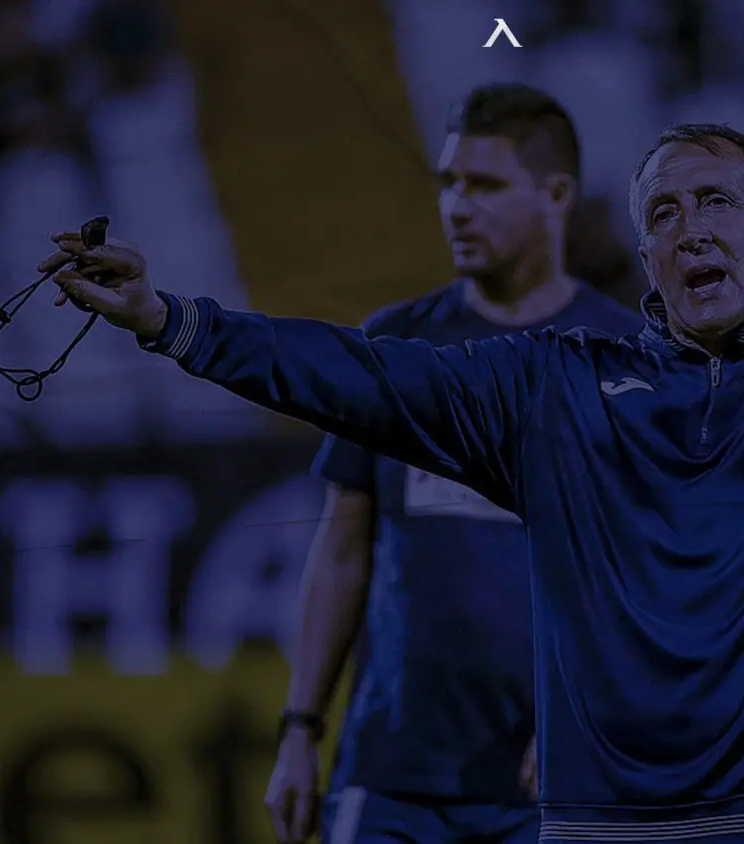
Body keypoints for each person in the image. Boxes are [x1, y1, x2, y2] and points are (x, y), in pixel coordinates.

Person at [39, 96, 744, 844]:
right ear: (643, 253)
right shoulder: (552, 389)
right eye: (664, 213)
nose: (691, 227)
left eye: (718, 202)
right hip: (608, 829)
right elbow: (358, 374)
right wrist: (172, 320)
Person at [263, 83, 638, 844]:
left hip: (555, 785)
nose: (457, 207)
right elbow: (343, 549)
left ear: (556, 196)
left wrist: (591, 715)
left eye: (486, 185)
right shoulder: (397, 345)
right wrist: (300, 727)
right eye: (449, 183)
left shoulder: (627, 361)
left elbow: (655, 573)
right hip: (390, 777)